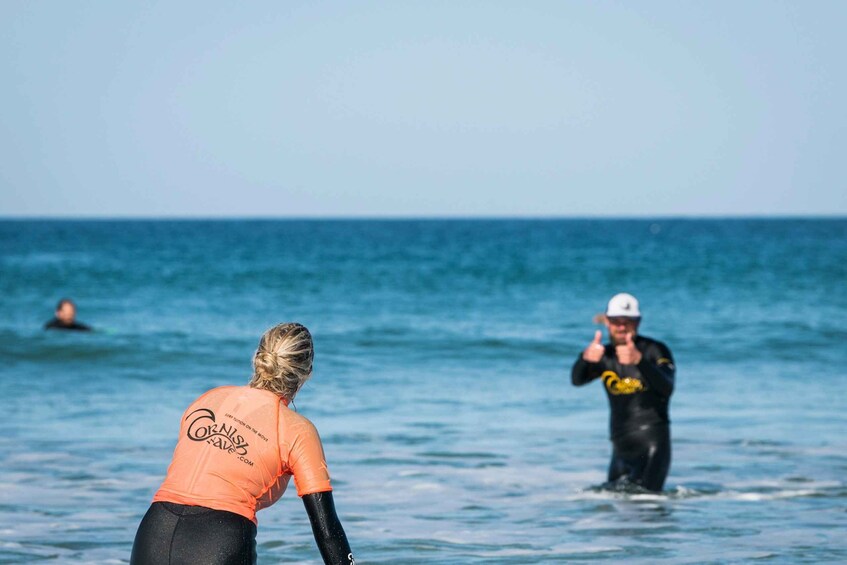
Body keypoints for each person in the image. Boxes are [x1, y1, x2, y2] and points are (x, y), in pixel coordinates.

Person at [131, 323, 355, 565]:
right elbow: (328, 532)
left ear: (258, 357)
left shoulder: (208, 399)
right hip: (218, 541)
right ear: (307, 370)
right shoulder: (298, 430)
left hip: (154, 533)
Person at [571, 293, 675, 492]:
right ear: (607, 322)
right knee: (616, 514)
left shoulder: (655, 350)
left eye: (628, 321)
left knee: (647, 510)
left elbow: (667, 387)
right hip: (620, 447)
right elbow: (577, 380)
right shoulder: (604, 354)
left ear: (638, 322)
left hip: (652, 444)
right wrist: (585, 358)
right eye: (615, 321)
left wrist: (640, 361)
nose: (621, 327)